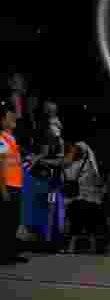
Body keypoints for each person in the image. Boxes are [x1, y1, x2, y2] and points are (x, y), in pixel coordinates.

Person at [0, 101, 27, 265]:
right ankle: (4, 255)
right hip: (7, 186)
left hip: (16, 185)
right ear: (2, 121)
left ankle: (11, 252)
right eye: (10, 117)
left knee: (14, 221)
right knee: (6, 222)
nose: (14, 119)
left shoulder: (12, 139)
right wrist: (3, 189)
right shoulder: (1, 138)